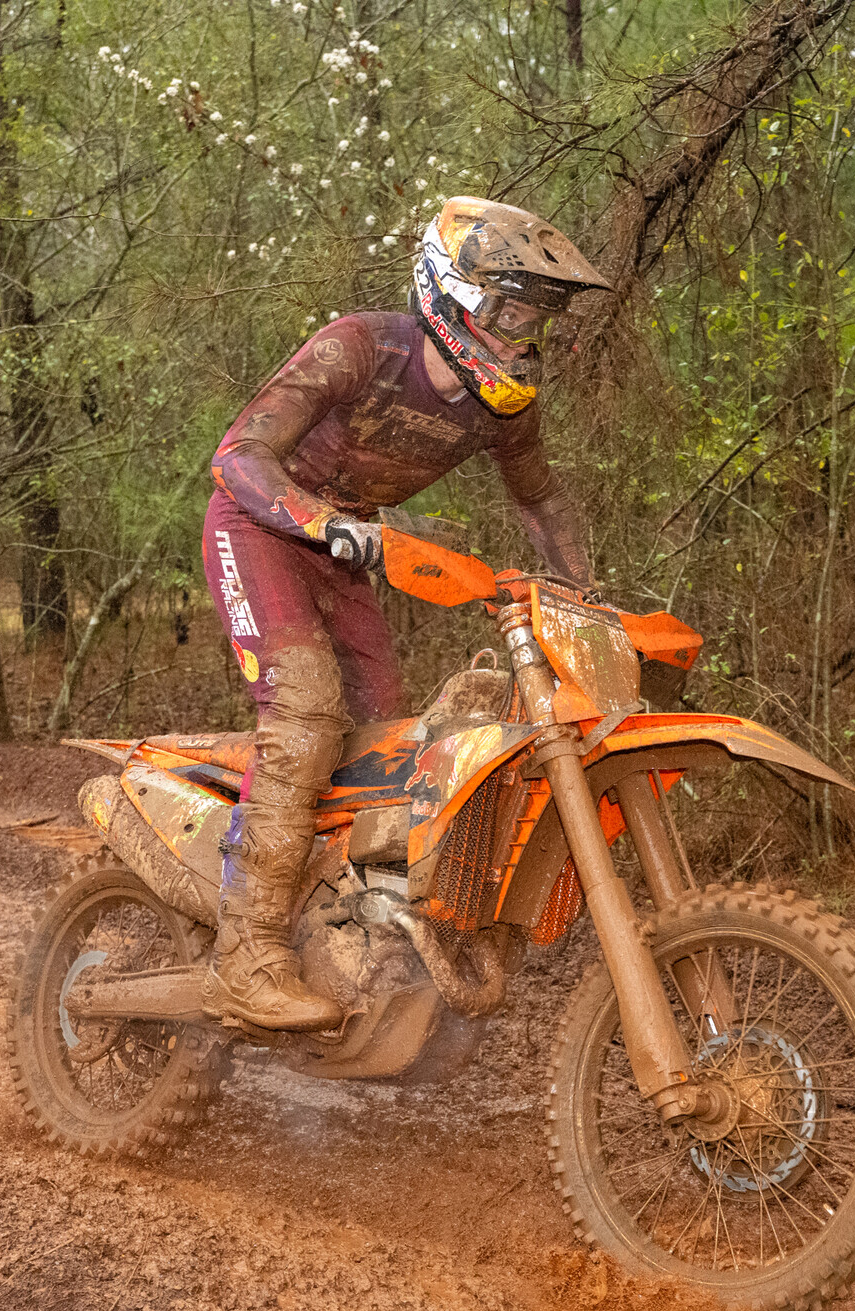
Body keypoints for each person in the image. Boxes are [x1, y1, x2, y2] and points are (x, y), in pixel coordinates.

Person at [199, 196, 612, 1032]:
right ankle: (243, 955)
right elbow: (237, 456)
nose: (521, 337)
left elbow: (543, 504)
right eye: (508, 311)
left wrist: (591, 602)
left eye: (536, 320)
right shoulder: (361, 346)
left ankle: (345, 934)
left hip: (351, 552)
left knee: (386, 742)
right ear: (449, 290)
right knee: (309, 714)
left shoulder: (506, 406)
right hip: (261, 528)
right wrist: (326, 524)